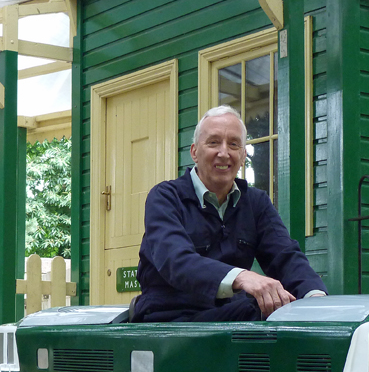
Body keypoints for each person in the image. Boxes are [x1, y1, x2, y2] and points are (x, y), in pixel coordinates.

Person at [133, 105, 325, 322]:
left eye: (233, 144)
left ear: (243, 155)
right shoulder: (166, 197)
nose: (224, 153)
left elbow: (285, 256)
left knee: (282, 311)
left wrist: (315, 298)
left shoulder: (255, 202)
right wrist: (243, 277)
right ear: (195, 152)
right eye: (213, 142)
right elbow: (175, 261)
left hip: (229, 316)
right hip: (168, 319)